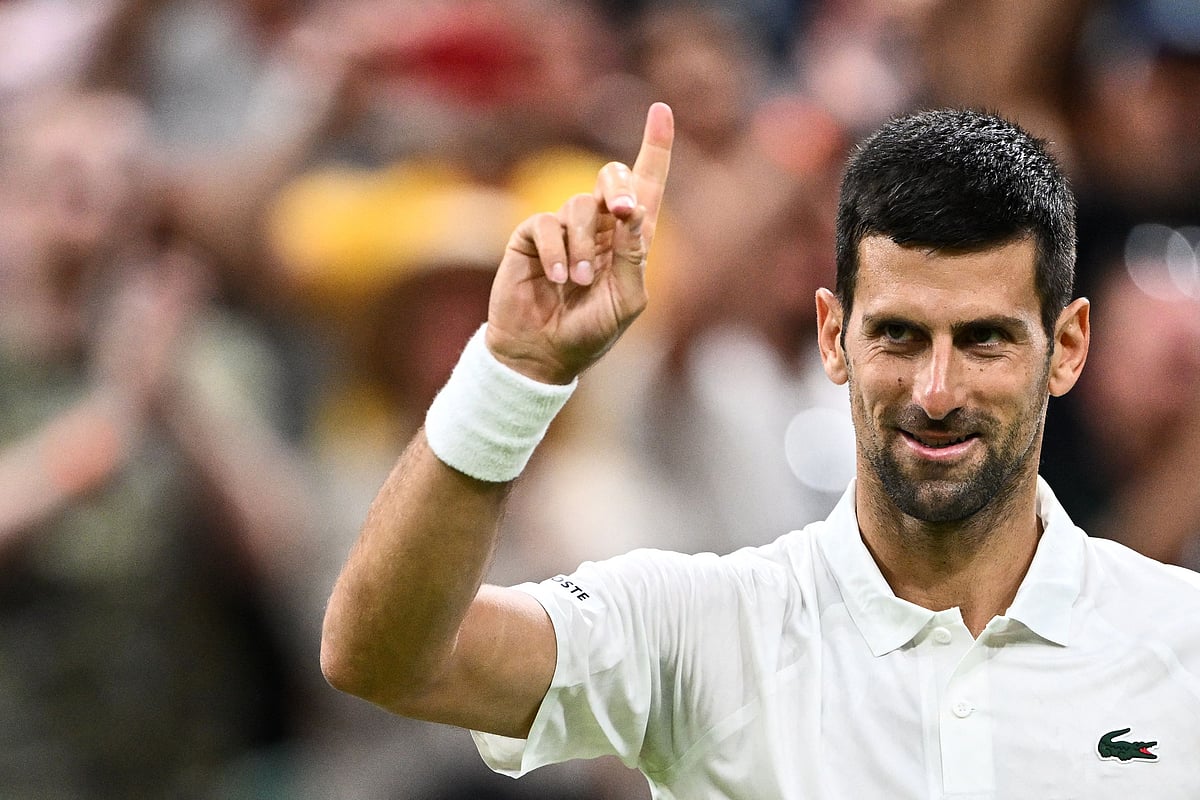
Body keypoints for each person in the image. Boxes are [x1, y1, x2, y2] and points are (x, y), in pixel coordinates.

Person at [320, 103, 1200, 797]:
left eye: (983, 340)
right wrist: (513, 375)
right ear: (832, 336)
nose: (936, 393)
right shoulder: (700, 626)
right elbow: (381, 657)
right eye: (897, 335)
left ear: (1067, 348)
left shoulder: (1183, 639)